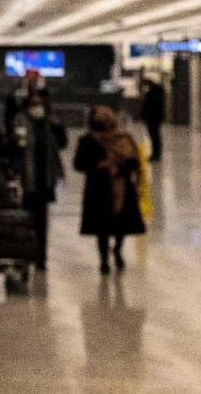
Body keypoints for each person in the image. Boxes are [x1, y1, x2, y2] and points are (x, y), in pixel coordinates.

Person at [73, 106, 145, 275]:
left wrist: (119, 170)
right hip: (99, 188)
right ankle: (104, 260)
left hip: (122, 185)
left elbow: (134, 162)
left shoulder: (123, 138)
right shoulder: (88, 140)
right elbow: (79, 164)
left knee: (122, 224)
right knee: (102, 227)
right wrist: (98, 166)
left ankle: (118, 249)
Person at [12, 90, 67, 268]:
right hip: (26, 178)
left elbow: (62, 143)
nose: (37, 108)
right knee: (26, 218)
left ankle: (40, 257)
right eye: (33, 104)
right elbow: (15, 147)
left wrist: (57, 125)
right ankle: (24, 254)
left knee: (41, 219)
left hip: (44, 178)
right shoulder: (20, 122)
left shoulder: (49, 124)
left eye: (40, 104)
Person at [140, 79, 166, 163]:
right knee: (154, 136)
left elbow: (150, 106)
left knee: (154, 136)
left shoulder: (153, 93)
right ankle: (156, 154)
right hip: (153, 118)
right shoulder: (156, 93)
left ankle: (156, 155)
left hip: (153, 118)